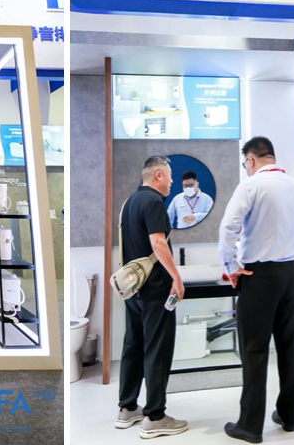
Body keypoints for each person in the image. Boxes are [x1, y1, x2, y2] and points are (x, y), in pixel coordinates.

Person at [218, 137, 294, 444]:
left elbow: (228, 227)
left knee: (254, 350)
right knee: (289, 345)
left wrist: (230, 266)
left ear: (251, 160)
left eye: (245, 164)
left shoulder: (251, 185)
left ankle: (250, 426)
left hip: (260, 275)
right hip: (292, 273)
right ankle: (289, 416)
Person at [115, 155, 188, 439]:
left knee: (133, 346)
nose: (172, 181)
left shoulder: (130, 202)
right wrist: (176, 278)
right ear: (158, 175)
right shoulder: (155, 202)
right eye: (169, 175)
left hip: (134, 288)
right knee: (157, 349)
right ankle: (155, 417)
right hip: (156, 290)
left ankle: (127, 408)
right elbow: (158, 243)